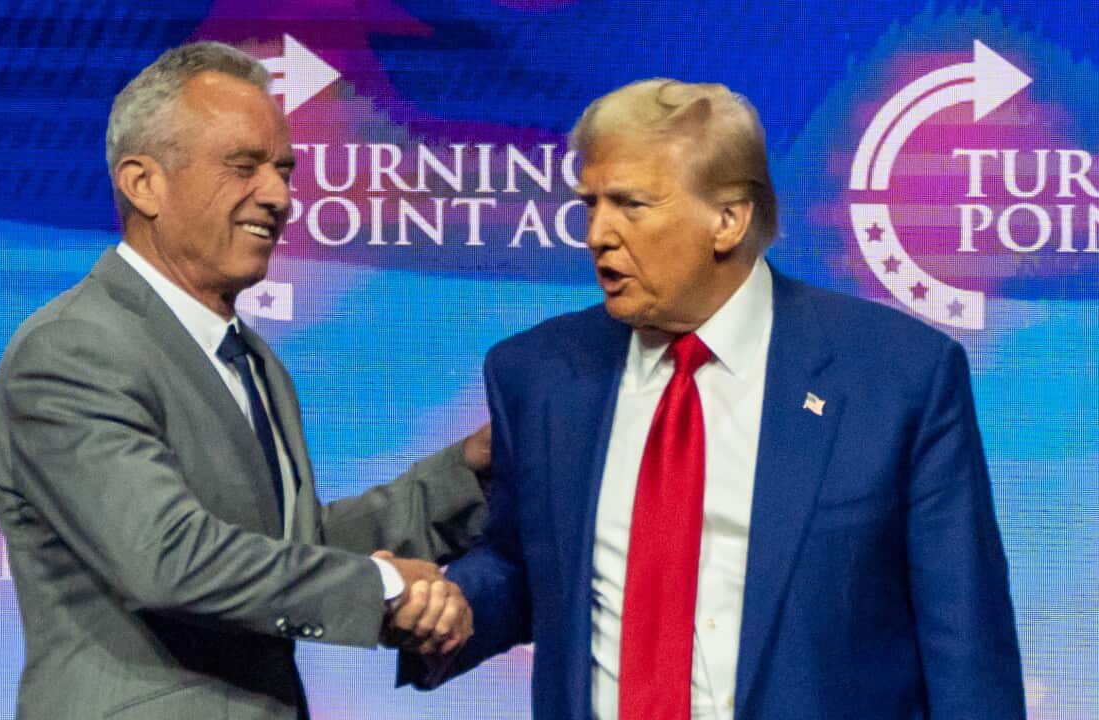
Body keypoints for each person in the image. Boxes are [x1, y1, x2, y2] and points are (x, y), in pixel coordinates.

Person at [402, 79, 1025, 719]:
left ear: (728, 219)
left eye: (630, 205)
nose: (596, 235)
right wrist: (455, 606)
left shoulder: (898, 374)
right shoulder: (537, 374)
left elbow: (966, 639)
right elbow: (523, 564)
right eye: (590, 204)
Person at [0, 42, 489, 719]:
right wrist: (381, 587)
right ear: (144, 183)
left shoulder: (252, 360)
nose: (279, 196)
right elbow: (168, 557)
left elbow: (285, 556)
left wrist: (469, 476)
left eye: (283, 169)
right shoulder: (74, 348)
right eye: (243, 166)